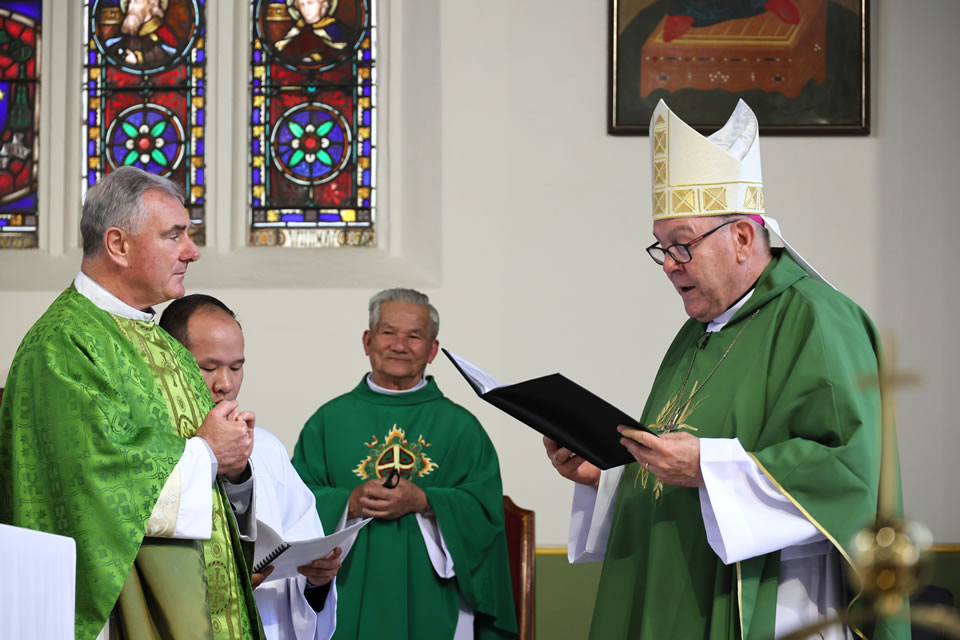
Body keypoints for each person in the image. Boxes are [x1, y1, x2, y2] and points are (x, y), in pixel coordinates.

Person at [544, 100, 909, 639]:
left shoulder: (818, 319)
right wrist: (605, 477)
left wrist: (709, 467)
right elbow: (677, 472)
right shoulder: (697, 333)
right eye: (662, 247)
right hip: (679, 592)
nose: (670, 265)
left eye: (682, 244)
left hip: (777, 604)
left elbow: (848, 475)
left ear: (741, 238)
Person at [0, 166, 264, 640]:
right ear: (118, 245)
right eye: (175, 236)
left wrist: (231, 463)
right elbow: (96, 482)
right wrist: (207, 453)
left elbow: (198, 464)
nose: (192, 251)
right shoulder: (62, 344)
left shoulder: (161, 341)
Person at [291, 288, 517, 640]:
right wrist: (348, 503)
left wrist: (426, 501)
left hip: (436, 600)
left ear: (433, 350)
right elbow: (294, 503)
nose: (399, 345)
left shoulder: (462, 428)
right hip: (348, 594)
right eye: (388, 332)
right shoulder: (328, 422)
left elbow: (485, 515)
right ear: (368, 341)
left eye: (414, 336)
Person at [159, 294, 342, 640]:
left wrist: (317, 581)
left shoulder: (267, 450)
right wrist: (229, 584)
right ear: (168, 363)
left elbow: (302, 577)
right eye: (209, 367)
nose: (225, 384)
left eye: (236, 367)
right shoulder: (154, 451)